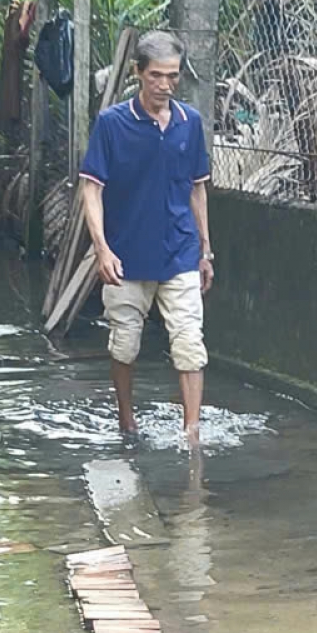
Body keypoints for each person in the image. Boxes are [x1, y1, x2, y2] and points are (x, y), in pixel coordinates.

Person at [78, 31, 215, 444]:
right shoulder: (112, 124)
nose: (165, 85)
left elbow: (197, 188)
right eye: (156, 76)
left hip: (179, 251)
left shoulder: (190, 124)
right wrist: (102, 248)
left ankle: (191, 434)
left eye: (172, 77)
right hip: (126, 255)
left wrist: (206, 250)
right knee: (124, 345)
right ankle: (127, 421)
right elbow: (91, 188)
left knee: (190, 344)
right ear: (138, 74)